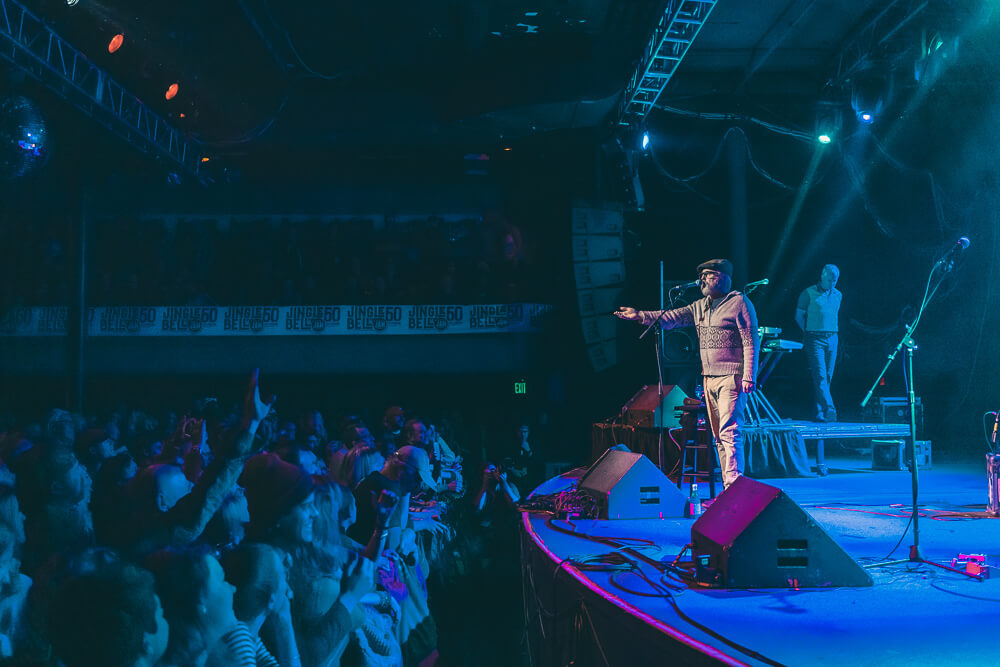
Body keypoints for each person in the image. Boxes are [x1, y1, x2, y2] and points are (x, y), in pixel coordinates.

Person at [616, 258, 759, 489]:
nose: (702, 280)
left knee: (729, 432)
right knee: (718, 436)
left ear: (723, 278)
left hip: (731, 377)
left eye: (708, 275)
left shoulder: (739, 302)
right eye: (701, 275)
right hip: (708, 378)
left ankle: (734, 486)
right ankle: (729, 487)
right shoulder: (699, 306)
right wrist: (639, 315)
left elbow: (751, 341)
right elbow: (669, 318)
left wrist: (749, 376)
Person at [795, 264, 842, 422]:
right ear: (822, 276)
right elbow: (798, 316)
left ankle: (819, 413)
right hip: (814, 338)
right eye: (829, 280)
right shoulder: (808, 293)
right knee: (820, 375)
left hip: (833, 338)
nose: (832, 283)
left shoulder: (838, 295)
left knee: (827, 377)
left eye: (835, 280)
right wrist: (808, 332)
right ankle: (830, 408)